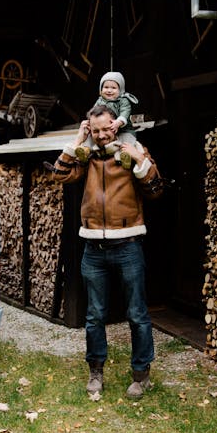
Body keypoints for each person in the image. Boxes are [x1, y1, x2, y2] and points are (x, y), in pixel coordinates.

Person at [51, 104, 161, 399]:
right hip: (93, 249)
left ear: (116, 125)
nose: (101, 135)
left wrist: (139, 157)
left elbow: (155, 189)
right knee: (95, 315)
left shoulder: (132, 150)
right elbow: (60, 174)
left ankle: (141, 374)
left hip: (128, 245)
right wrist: (76, 142)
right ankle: (95, 373)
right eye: (95, 130)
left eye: (105, 128)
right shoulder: (87, 158)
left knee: (137, 313)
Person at [75, 71, 139, 170]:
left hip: (123, 128)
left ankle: (125, 156)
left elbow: (125, 112)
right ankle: (85, 150)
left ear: (120, 90)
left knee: (127, 141)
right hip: (105, 128)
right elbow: (94, 112)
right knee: (91, 136)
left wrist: (119, 122)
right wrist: (90, 122)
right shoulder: (100, 100)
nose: (109, 90)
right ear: (101, 89)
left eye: (113, 88)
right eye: (106, 87)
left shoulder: (123, 100)